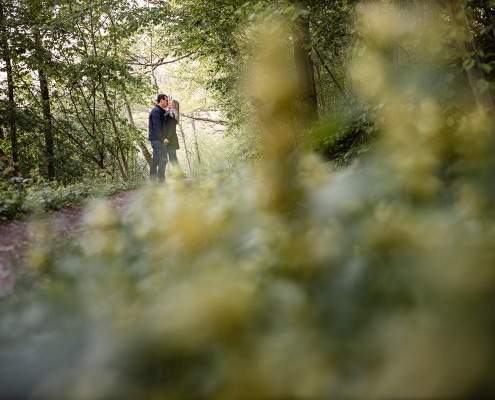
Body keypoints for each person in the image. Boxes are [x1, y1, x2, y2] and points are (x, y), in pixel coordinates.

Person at [148, 94, 173, 183]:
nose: (167, 102)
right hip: (157, 140)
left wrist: (169, 110)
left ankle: (153, 180)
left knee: (155, 160)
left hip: (156, 139)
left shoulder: (160, 111)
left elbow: (165, 119)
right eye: (166, 100)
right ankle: (161, 180)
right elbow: (157, 126)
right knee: (164, 159)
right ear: (161, 100)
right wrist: (163, 139)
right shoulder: (156, 111)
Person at [163, 99, 183, 175]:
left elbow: (172, 129)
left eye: (170, 103)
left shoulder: (173, 115)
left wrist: (167, 138)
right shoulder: (168, 113)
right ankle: (179, 174)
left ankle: (179, 174)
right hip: (169, 139)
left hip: (171, 140)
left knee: (172, 158)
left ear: (173, 105)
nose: (168, 103)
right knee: (172, 158)